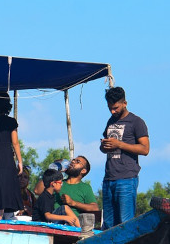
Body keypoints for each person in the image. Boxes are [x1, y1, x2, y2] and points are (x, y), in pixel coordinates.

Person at [99, 86, 149, 228]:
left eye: (115, 108)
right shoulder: (110, 121)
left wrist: (119, 144)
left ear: (125, 103)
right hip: (109, 178)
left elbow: (145, 149)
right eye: (110, 108)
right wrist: (104, 147)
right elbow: (105, 147)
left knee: (125, 223)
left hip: (126, 179)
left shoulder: (136, 122)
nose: (112, 111)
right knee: (108, 223)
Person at [33, 155, 98, 217]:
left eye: (77, 162)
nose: (72, 161)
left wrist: (73, 203)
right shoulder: (57, 183)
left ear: (83, 171)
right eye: (73, 160)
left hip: (73, 226)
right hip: (53, 223)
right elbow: (37, 191)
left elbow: (94, 208)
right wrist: (53, 170)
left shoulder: (85, 188)